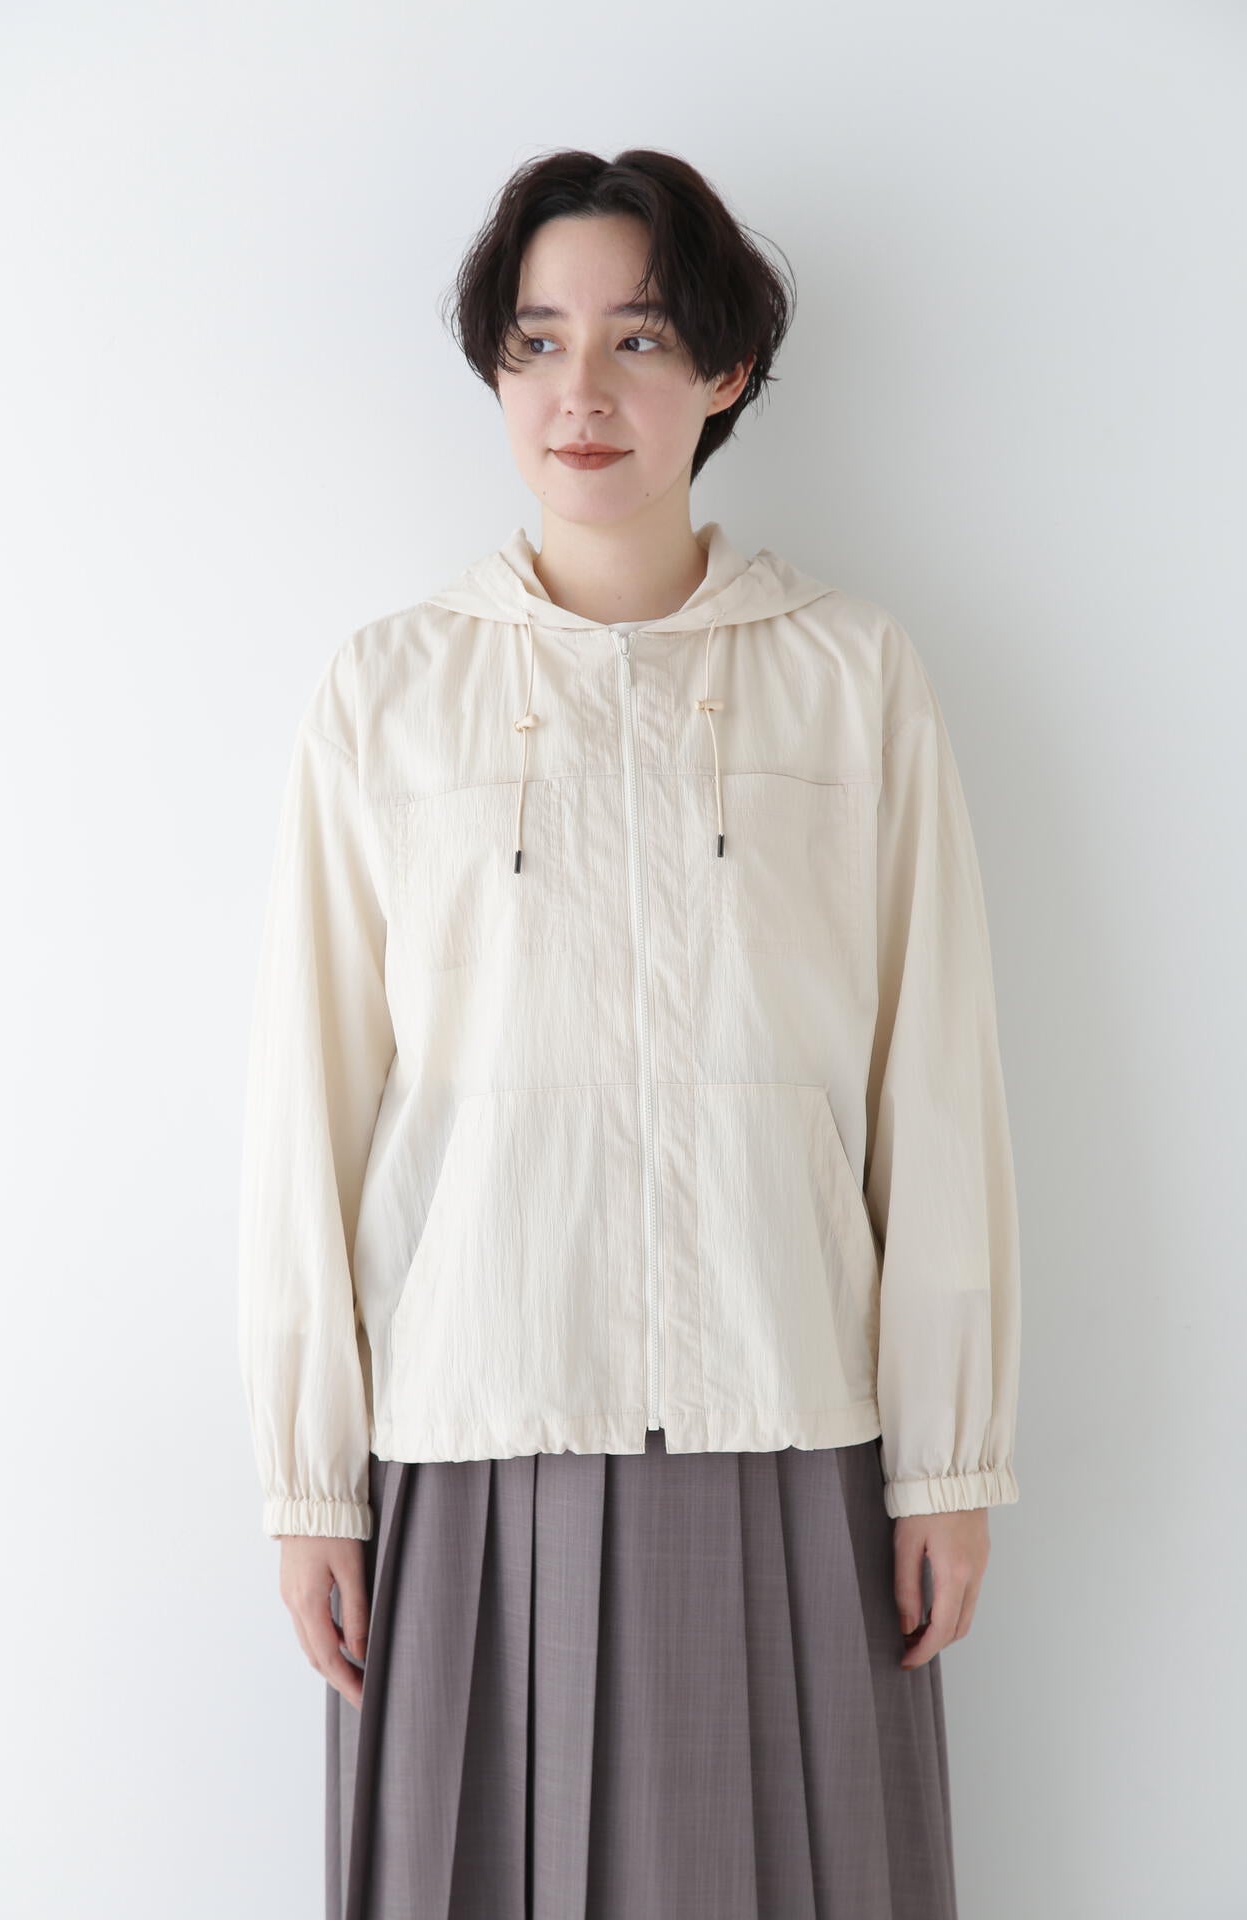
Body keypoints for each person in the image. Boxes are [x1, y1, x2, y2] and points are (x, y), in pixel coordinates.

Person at [237, 147, 1021, 1920]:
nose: (580, 392)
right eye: (537, 343)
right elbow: (313, 1102)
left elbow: (935, 1080)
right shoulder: (389, 691)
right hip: (468, 1423)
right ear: (496, 370)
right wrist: (309, 1481)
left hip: (788, 1414)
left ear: (725, 370)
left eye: (639, 338)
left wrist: (948, 1457)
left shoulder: (850, 677)